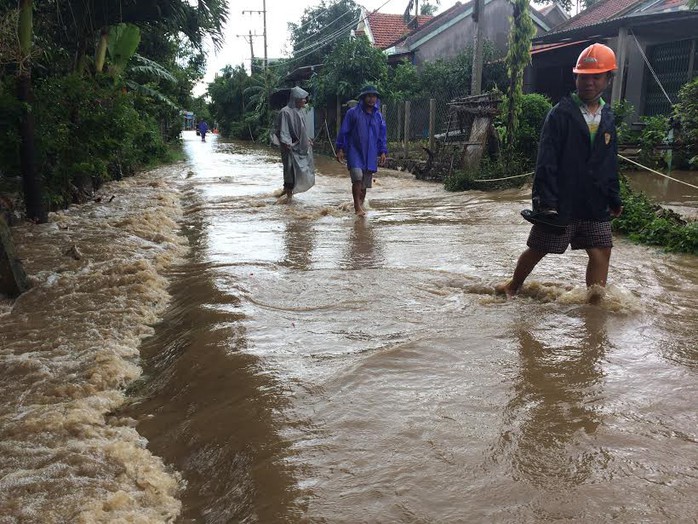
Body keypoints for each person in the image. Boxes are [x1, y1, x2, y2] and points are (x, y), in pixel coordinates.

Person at [496, 43, 623, 298]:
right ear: (575, 77)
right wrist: (545, 202)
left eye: (596, 77)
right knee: (539, 248)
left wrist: (613, 197)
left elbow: (609, 162)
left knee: (601, 250)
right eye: (583, 77)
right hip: (562, 201)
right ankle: (513, 286)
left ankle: (595, 307)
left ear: (608, 79)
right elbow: (546, 161)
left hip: (594, 200)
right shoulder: (560, 114)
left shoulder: (607, 116)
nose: (588, 83)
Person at [335, 85, 388, 216]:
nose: (371, 99)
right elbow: (344, 131)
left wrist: (383, 151)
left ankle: (361, 204)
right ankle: (357, 207)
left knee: (364, 183)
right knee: (357, 177)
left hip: (370, 153)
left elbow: (382, 136)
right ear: (363, 98)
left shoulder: (378, 117)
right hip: (354, 150)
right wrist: (340, 148)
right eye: (369, 96)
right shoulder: (352, 113)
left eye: (374, 96)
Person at [275, 86, 315, 201]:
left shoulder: (300, 112)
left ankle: (288, 193)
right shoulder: (285, 112)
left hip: (300, 146)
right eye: (302, 99)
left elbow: (303, 129)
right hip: (289, 147)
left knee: (302, 168)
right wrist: (287, 143)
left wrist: (307, 139)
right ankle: (288, 196)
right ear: (296, 99)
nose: (304, 101)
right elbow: (283, 130)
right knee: (289, 170)